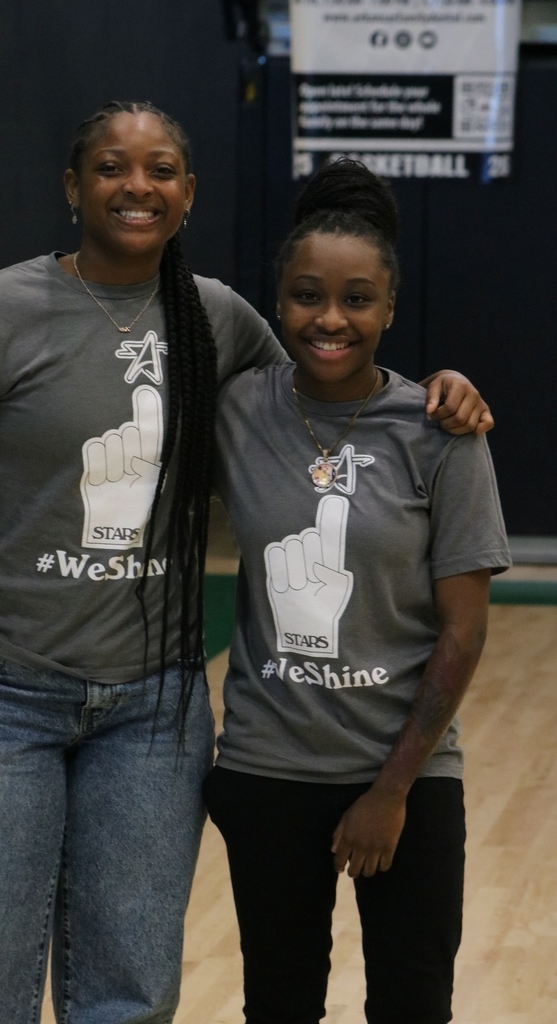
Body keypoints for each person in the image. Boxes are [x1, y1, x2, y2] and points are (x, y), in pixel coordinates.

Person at [0, 98, 493, 1024]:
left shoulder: (217, 318)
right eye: (111, 166)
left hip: (153, 706)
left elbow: (331, 380)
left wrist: (443, 391)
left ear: (188, 193)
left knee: (130, 993)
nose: (136, 185)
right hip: (3, 692)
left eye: (161, 169)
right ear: (70, 186)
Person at [203, 159, 511, 1024]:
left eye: (357, 299)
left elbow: (463, 633)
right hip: (268, 769)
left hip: (407, 775)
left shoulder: (442, 433)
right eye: (307, 296)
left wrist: (390, 791)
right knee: (279, 1003)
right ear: (277, 301)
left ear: (389, 308)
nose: (330, 319)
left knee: (413, 1005)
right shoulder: (236, 410)